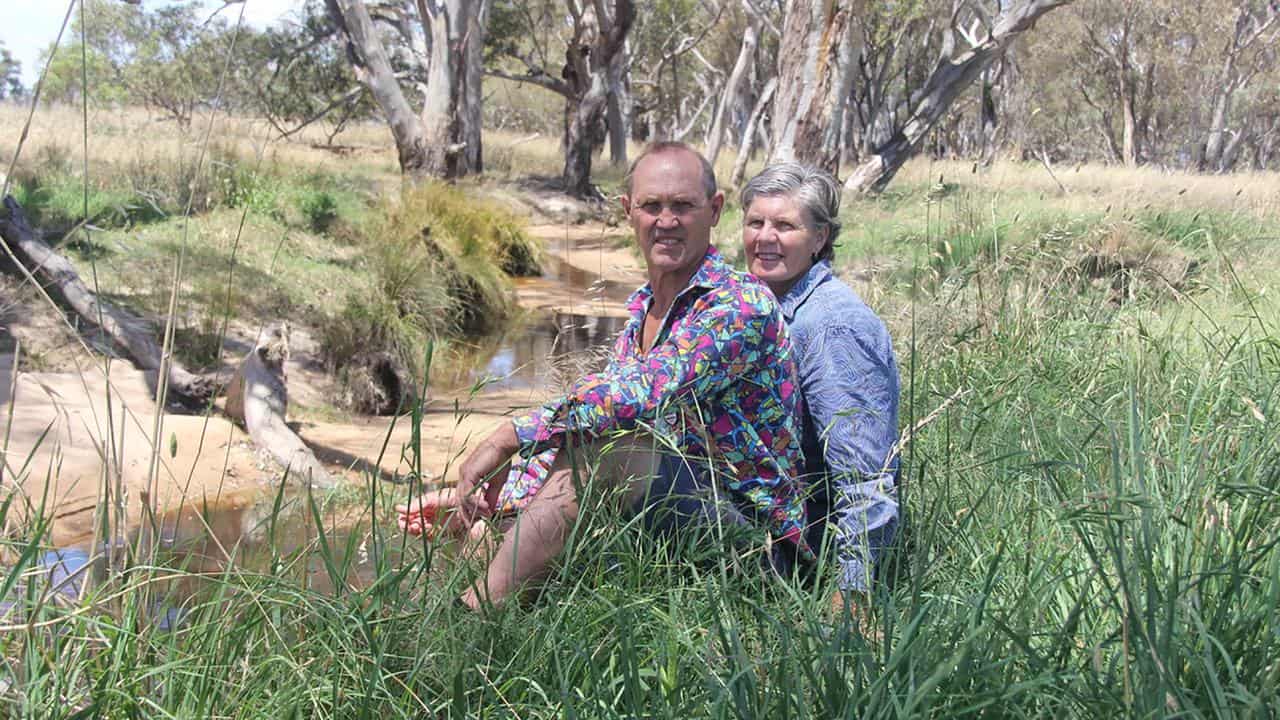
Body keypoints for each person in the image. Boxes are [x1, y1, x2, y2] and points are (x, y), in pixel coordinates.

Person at [397, 142, 812, 609]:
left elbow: (641, 394)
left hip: (755, 544)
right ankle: (487, 658)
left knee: (606, 453)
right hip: (674, 515)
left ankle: (472, 622)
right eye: (652, 206)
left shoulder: (739, 305)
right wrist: (495, 501)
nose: (667, 221)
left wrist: (508, 436)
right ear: (627, 211)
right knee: (483, 530)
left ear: (714, 210)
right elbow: (593, 421)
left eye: (683, 206)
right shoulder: (642, 312)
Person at [739, 162, 900, 611]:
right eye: (755, 222)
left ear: (820, 238)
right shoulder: (770, 307)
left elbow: (866, 477)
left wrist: (851, 599)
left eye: (785, 225)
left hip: (804, 550)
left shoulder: (830, 324)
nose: (764, 237)